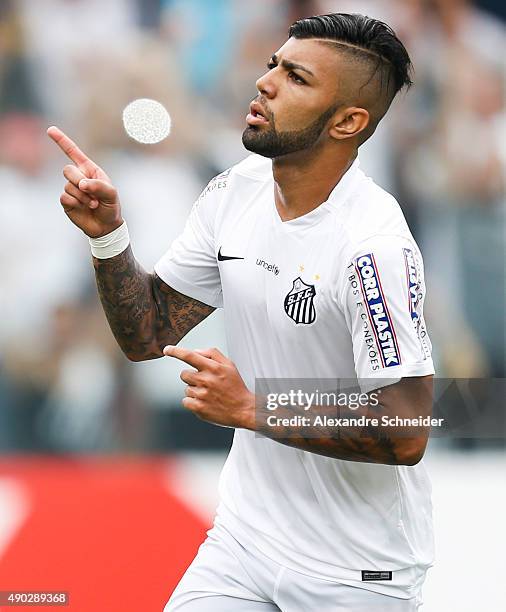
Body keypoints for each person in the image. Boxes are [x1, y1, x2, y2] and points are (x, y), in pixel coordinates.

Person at [48, 13, 435, 612]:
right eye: (272, 65)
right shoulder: (237, 192)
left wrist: (254, 407)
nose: (267, 83)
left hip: (356, 574)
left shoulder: (372, 245)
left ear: (348, 121)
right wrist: (108, 237)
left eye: (297, 78)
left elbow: (408, 426)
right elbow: (148, 332)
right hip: (242, 546)